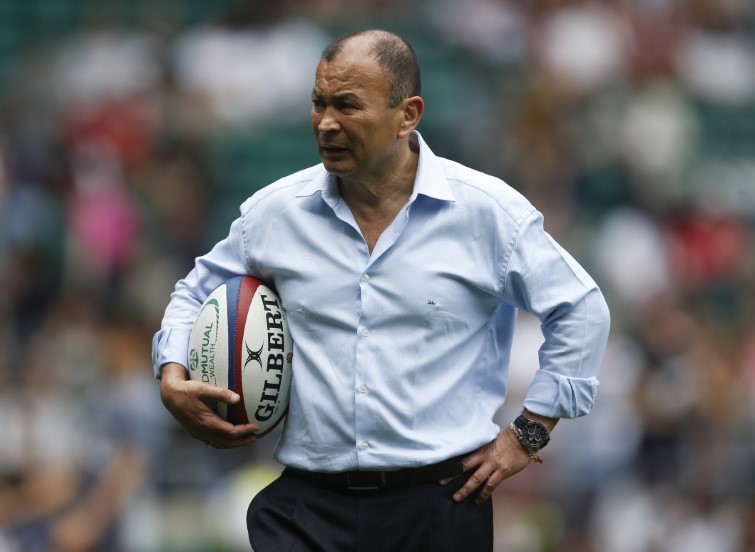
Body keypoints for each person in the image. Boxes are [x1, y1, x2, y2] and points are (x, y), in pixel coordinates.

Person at [153, 29, 611, 551]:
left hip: (441, 507)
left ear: (408, 114)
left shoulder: (487, 213)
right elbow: (194, 292)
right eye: (318, 103)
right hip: (306, 509)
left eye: (347, 106)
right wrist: (171, 374)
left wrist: (527, 435)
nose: (326, 123)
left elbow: (582, 309)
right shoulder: (274, 214)